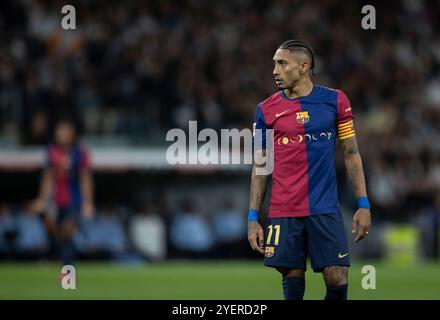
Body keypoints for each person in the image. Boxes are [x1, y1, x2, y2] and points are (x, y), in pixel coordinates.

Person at [247, 40, 371, 300]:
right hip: (284, 210)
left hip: (324, 207)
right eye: (274, 64)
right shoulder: (265, 110)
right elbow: (260, 166)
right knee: (292, 283)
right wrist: (252, 217)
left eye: (282, 63)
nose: (275, 71)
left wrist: (363, 204)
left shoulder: (335, 101)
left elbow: (351, 153)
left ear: (304, 66)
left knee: (337, 278)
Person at [32, 118, 94, 265]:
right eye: (59, 131)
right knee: (56, 232)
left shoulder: (80, 152)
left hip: (74, 201)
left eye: (65, 131)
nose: (61, 134)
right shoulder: (51, 151)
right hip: (56, 201)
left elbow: (85, 179)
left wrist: (88, 202)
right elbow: (47, 178)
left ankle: (68, 277)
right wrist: (41, 199)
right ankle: (63, 264)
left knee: (67, 232)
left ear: (72, 134)